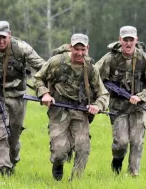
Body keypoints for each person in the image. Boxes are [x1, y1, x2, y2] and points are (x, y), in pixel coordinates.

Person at [0, 21, 45, 176]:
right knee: (1, 134)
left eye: (4, 37)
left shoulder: (21, 48)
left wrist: (44, 90)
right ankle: (4, 169)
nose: (1, 41)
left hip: (18, 97)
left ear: (9, 34)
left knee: (14, 138)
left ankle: (13, 160)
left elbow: (43, 67)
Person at [33, 34, 109, 181]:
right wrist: (45, 94)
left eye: (83, 49)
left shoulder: (90, 68)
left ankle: (75, 182)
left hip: (80, 111)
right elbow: (38, 78)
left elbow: (103, 94)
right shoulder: (57, 62)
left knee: (83, 147)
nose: (79, 53)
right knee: (59, 151)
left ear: (87, 48)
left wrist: (97, 105)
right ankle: (58, 164)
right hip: (59, 110)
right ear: (70, 47)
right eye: (76, 49)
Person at [95, 26, 146, 176]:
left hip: (138, 108)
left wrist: (141, 96)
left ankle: (133, 176)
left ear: (136, 40)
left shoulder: (143, 59)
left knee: (137, 141)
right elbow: (94, 76)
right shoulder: (111, 58)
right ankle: (117, 159)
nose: (128, 43)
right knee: (121, 144)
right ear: (120, 40)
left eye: (131, 40)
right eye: (125, 40)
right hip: (118, 108)